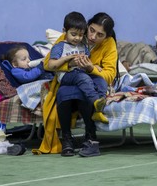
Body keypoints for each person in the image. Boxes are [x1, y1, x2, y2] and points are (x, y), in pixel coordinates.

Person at [33, 12, 118, 158]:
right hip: (71, 78)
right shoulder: (74, 34)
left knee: (83, 90)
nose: (92, 37)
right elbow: (48, 64)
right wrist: (69, 64)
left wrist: (91, 68)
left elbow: (110, 75)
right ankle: (67, 139)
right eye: (91, 30)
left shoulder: (109, 43)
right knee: (63, 91)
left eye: (100, 35)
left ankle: (91, 138)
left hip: (92, 81)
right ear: (87, 26)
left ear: (106, 36)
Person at [45, 12, 108, 125]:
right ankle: (95, 101)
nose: (77, 38)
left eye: (80, 35)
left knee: (100, 80)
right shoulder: (60, 46)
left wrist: (93, 66)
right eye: (73, 34)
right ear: (65, 31)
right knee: (82, 77)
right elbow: (50, 65)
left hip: (81, 73)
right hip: (66, 76)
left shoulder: (83, 46)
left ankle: (99, 108)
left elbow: (87, 61)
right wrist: (67, 59)